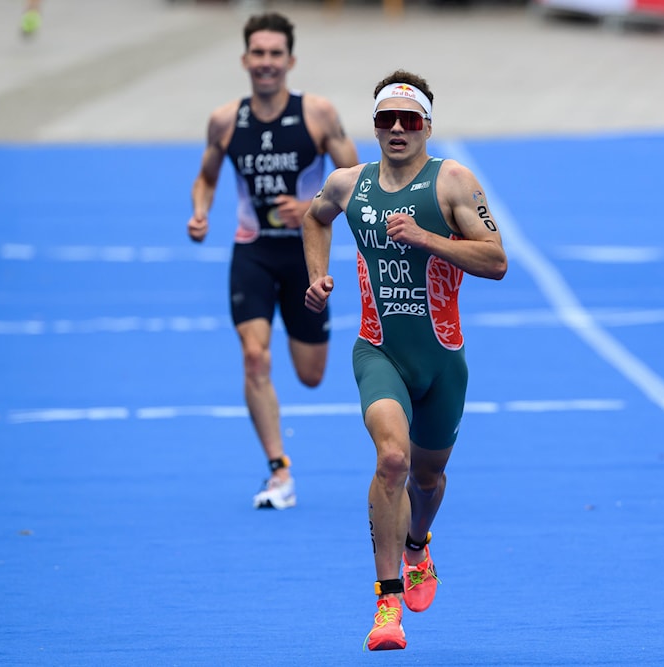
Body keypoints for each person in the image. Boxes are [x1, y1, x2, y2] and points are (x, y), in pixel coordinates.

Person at [302, 69, 508, 650]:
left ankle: (419, 542)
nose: (396, 129)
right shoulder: (348, 184)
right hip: (379, 351)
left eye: (408, 120)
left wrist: (427, 238)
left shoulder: (454, 182)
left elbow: (495, 261)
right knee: (392, 459)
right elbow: (312, 218)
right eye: (385, 120)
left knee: (428, 477)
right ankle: (387, 604)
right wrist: (318, 276)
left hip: (442, 361)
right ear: (374, 126)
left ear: (426, 126)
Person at [186, 12, 358, 509]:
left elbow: (358, 181)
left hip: (307, 255)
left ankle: (301, 347)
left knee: (310, 375)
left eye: (274, 54)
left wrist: (310, 209)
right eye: (257, 53)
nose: (266, 63)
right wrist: (200, 212)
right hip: (253, 251)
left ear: (290, 60)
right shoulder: (225, 120)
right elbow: (206, 177)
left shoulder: (318, 114)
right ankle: (279, 470)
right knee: (255, 356)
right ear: (245, 59)